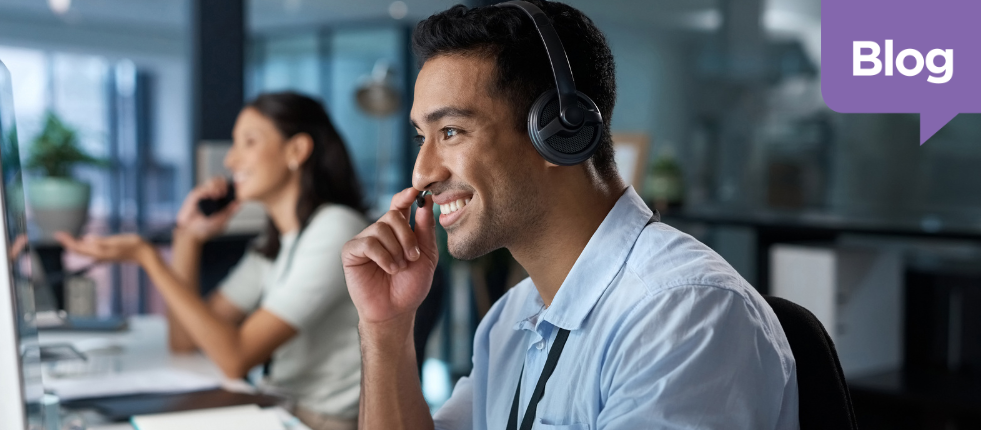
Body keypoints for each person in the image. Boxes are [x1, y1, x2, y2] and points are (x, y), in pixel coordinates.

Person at [339, 2, 799, 429]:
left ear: (560, 131)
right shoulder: (510, 320)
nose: (422, 173)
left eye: (452, 131)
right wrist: (386, 330)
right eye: (423, 137)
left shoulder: (682, 311)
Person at [57, 92, 369, 430]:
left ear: (296, 150)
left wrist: (148, 257)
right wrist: (187, 239)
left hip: (319, 422)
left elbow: (235, 357)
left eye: (249, 142)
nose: (232, 161)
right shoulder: (275, 242)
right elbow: (185, 340)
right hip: (279, 408)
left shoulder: (336, 229)